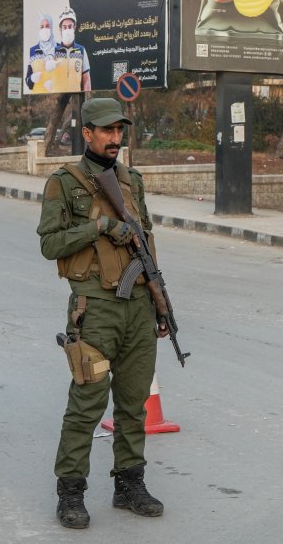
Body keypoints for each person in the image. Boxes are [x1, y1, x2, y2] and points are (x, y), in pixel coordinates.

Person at [36, 97, 166, 529]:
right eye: (106, 130)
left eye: (119, 131)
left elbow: (145, 243)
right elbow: (50, 245)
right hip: (94, 310)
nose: (115, 138)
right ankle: (70, 492)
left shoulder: (132, 181)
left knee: (133, 404)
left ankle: (130, 484)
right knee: (87, 403)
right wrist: (100, 227)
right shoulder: (64, 182)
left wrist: (160, 301)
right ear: (86, 133)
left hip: (138, 308)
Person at [52, 7, 92, 93]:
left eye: (70, 27)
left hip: (76, 100)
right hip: (56, 101)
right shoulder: (53, 51)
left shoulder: (81, 50)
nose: (67, 30)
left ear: (74, 27)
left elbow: (87, 80)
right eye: (64, 27)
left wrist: (87, 101)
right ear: (60, 29)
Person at [26, 13, 57, 93]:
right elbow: (28, 83)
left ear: (52, 27)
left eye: (47, 26)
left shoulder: (59, 48)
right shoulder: (32, 50)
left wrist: (55, 84)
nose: (44, 29)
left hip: (56, 95)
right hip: (37, 95)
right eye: (42, 27)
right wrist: (32, 78)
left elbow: (66, 76)